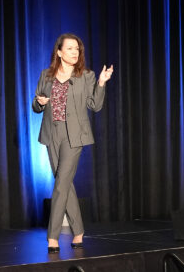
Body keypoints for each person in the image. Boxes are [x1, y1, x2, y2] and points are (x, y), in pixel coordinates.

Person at [32, 33, 113, 253]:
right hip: (51, 133)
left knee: (60, 185)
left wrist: (102, 83)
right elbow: (36, 105)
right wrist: (39, 102)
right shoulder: (46, 75)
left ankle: (53, 237)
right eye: (69, 48)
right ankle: (78, 231)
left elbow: (95, 105)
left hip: (74, 136)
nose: (75, 52)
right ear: (58, 51)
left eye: (77, 49)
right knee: (65, 184)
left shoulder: (87, 75)